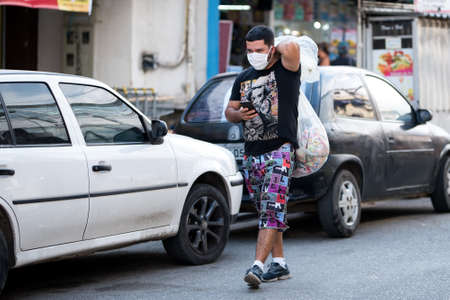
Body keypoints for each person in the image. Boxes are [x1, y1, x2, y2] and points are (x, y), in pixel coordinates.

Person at [225, 25, 301, 288]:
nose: (253, 55)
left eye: (259, 50)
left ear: (270, 47)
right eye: (249, 50)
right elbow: (229, 110)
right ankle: (279, 263)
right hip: (252, 153)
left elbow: (292, 48)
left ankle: (257, 266)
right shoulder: (243, 77)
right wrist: (238, 115)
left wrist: (273, 49)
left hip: (280, 149)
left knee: (271, 208)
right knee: (270, 210)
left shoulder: (286, 70)